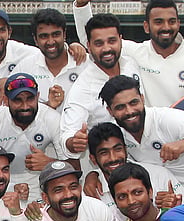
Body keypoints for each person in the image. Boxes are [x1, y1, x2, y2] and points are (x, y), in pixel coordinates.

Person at [73, 0, 184, 107]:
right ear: (146, 26)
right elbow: (96, 41)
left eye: (171, 21)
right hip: (144, 127)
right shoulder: (135, 52)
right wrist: (82, 6)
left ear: (178, 24)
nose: (166, 27)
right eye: (158, 22)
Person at [92, 75, 184, 195]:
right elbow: (108, 158)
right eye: (120, 107)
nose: (129, 111)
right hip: (165, 197)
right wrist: (94, 174)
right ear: (110, 111)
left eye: (133, 103)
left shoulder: (168, 119)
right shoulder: (116, 134)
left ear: (142, 99)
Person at [59, 11, 141, 161]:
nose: (106, 49)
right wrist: (73, 142)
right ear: (88, 46)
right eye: (99, 43)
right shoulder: (82, 88)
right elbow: (68, 134)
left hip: (146, 152)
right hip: (112, 164)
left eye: (112, 41)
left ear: (121, 40)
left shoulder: (131, 64)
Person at [0, 73, 64, 190]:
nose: (25, 106)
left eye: (30, 99)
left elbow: (73, 166)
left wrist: (49, 163)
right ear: (5, 100)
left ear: (38, 96)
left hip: (41, 182)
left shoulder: (52, 118)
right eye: (17, 100)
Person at [82, 121, 184, 221]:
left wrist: (173, 209)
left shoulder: (158, 174)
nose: (113, 158)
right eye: (104, 153)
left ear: (126, 150)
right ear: (93, 159)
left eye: (117, 149)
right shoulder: (90, 193)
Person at [29, 8, 84, 108]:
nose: (50, 42)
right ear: (35, 39)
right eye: (44, 36)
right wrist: (48, 106)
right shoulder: (26, 67)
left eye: (56, 34)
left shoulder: (84, 63)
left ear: (64, 34)